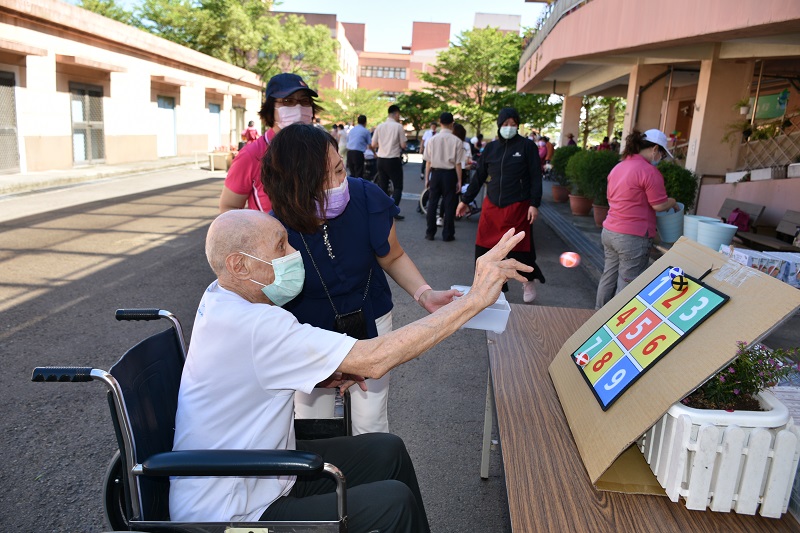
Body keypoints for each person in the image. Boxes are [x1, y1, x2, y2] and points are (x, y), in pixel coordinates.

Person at [169, 208, 532, 530]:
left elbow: (250, 373)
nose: (294, 254)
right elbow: (376, 359)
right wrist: (473, 301)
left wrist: (324, 373)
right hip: (230, 514)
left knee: (387, 450)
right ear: (239, 265)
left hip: (260, 473)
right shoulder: (255, 325)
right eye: (281, 246)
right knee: (392, 504)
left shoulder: (220, 296)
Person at [262, 123, 460, 435]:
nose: (338, 184)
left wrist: (424, 293)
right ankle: (323, 482)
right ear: (293, 188)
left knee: (371, 420)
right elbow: (267, 300)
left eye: (339, 170)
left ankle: (371, 480)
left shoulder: (367, 197)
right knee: (313, 420)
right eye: (321, 180)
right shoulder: (274, 230)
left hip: (371, 317)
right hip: (309, 332)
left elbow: (392, 255)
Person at [456, 107, 546, 303]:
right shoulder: (491, 148)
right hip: (492, 205)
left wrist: (534, 204)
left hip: (518, 206)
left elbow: (535, 177)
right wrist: (464, 200)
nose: (509, 128)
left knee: (520, 248)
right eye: (505, 125)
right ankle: (488, 285)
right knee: (484, 247)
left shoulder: (527, 147)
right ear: (499, 126)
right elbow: (479, 177)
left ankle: (528, 280)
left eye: (513, 125)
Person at [595, 129, 677, 309]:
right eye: (662, 155)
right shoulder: (649, 172)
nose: (660, 159)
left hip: (609, 231)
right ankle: (616, 327)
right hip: (632, 237)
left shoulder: (619, 166)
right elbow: (659, 205)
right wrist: (672, 202)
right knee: (628, 284)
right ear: (655, 149)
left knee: (608, 276)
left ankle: (596, 318)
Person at [219, 73, 320, 212]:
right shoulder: (251, 155)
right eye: (288, 101)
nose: (298, 108)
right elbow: (229, 206)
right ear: (271, 108)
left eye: (304, 101)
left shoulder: (318, 148)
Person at [423, 113, 464, 242]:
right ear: (452, 123)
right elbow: (458, 164)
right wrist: (459, 180)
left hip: (435, 173)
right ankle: (448, 234)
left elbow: (428, 162)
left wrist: (427, 178)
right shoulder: (456, 140)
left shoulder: (432, 140)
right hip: (450, 174)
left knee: (432, 203)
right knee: (449, 204)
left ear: (440, 122)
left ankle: (430, 232)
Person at [371, 104, 407, 220]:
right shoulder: (398, 127)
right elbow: (403, 145)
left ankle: (381, 210)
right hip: (393, 159)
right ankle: (393, 211)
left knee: (383, 186)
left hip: (381, 160)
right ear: (396, 113)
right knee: (398, 187)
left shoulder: (380, 126)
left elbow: (373, 144)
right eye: (399, 115)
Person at [346, 114, 371, 179]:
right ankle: (358, 188)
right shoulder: (366, 131)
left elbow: (348, 140)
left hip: (349, 153)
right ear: (365, 122)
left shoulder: (352, 130)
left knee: (352, 174)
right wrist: (374, 154)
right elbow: (370, 144)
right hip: (358, 154)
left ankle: (352, 188)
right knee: (359, 173)